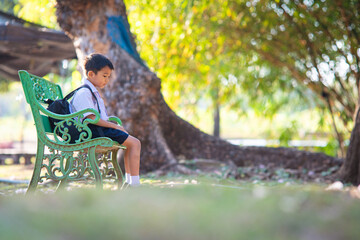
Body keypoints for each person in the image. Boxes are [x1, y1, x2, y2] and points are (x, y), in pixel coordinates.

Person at [70, 53, 141, 187]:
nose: (107, 80)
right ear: (91, 74)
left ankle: (130, 182)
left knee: (130, 144)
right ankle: (135, 185)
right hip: (92, 133)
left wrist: (112, 126)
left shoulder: (92, 92)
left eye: (108, 77)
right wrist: (114, 126)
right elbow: (91, 118)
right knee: (135, 143)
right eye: (104, 76)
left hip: (96, 131)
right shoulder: (84, 93)